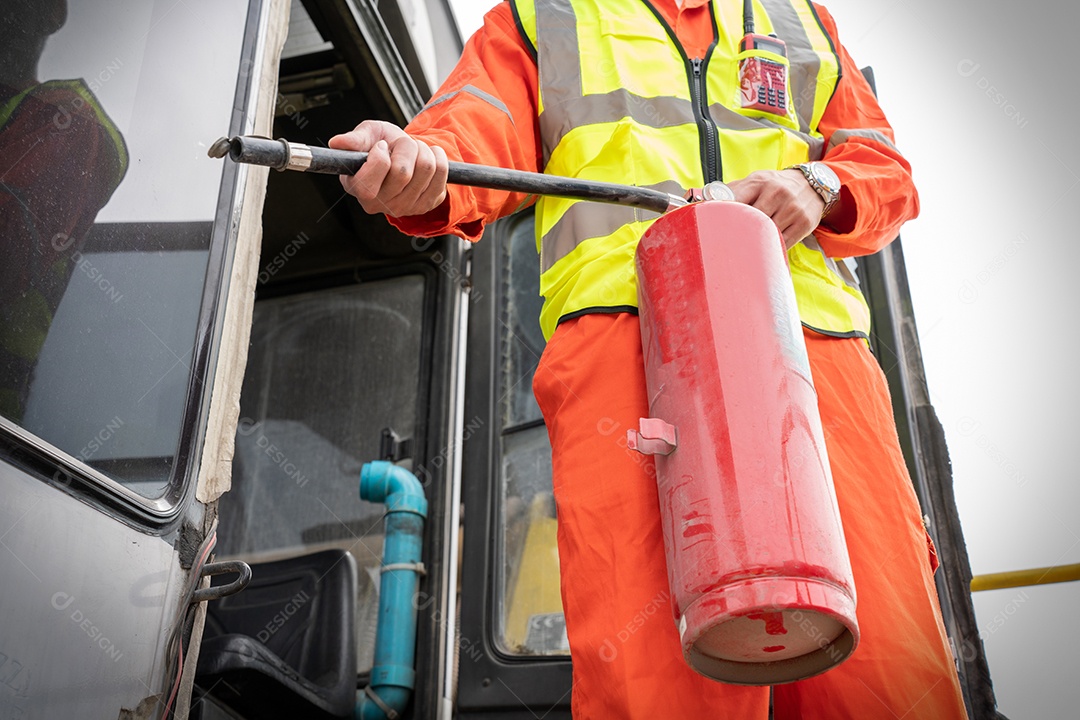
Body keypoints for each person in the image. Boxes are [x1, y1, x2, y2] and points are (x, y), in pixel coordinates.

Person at [330, 0, 969, 716]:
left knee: (884, 673)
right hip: (628, 354)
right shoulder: (543, 17)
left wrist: (819, 184)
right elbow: (468, 139)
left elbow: (882, 169)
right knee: (658, 675)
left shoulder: (797, 18)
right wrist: (415, 161)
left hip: (814, 358)